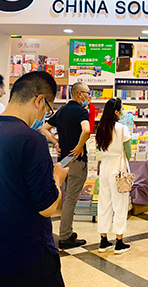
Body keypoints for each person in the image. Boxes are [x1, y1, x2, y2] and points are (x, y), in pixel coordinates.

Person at [0, 71, 69, 287]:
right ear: (39, 100)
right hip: (27, 260)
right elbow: (47, 207)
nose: (44, 116)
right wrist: (57, 177)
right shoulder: (31, 139)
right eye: (47, 109)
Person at [39, 82, 91, 248]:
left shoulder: (62, 111)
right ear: (79, 94)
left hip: (63, 161)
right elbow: (87, 130)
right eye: (87, 93)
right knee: (71, 199)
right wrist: (79, 146)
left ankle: (66, 230)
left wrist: (56, 142)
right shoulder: (81, 112)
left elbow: (44, 128)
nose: (89, 96)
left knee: (66, 196)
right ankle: (65, 236)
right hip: (76, 160)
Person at [96, 98, 133, 254]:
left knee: (104, 203)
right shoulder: (122, 129)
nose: (123, 111)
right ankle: (119, 241)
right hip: (119, 167)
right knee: (120, 204)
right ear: (116, 112)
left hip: (104, 166)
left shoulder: (101, 128)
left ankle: (103, 240)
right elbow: (128, 151)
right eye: (122, 109)